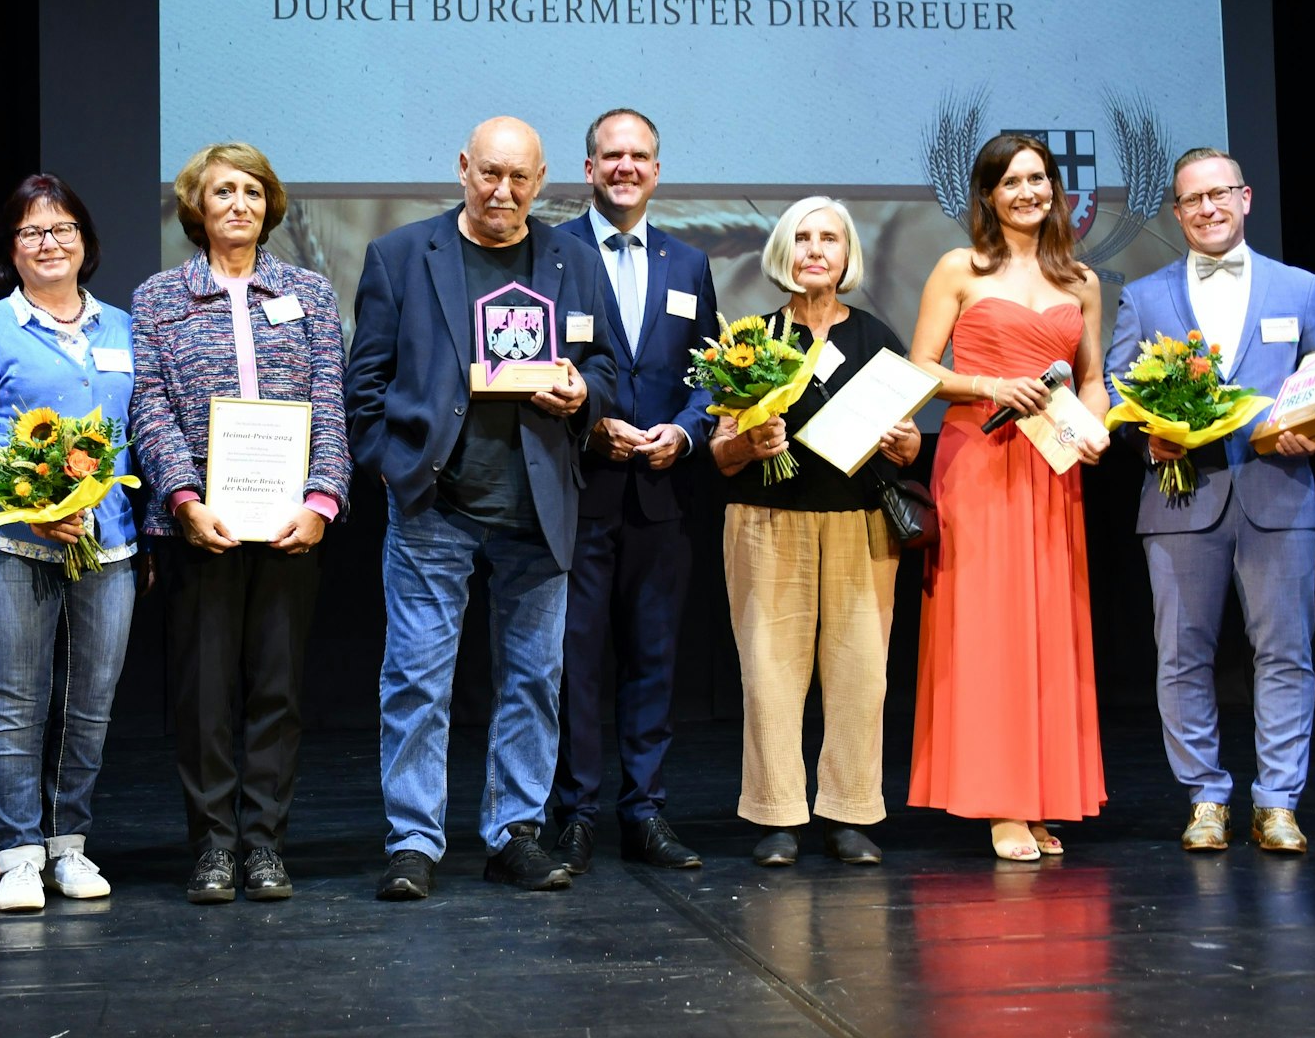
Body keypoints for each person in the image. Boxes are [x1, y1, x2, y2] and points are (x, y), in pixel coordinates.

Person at [345, 115, 617, 900]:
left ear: (543, 180)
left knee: (534, 679)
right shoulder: (401, 255)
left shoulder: (570, 259)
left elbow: (600, 363)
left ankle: (514, 833)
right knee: (416, 680)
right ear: (463, 167)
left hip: (540, 505)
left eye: (521, 178)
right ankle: (413, 843)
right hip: (435, 502)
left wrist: (582, 394)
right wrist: (391, 469)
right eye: (490, 173)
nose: (503, 191)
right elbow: (364, 384)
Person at [130, 142, 350, 903]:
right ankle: (213, 849)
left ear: (271, 205)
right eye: (223, 191)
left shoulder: (310, 294)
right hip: (202, 525)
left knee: (278, 693)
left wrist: (322, 502)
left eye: (253, 192)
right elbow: (150, 408)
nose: (239, 205)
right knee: (203, 697)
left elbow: (330, 401)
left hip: (290, 524)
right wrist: (184, 498)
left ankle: (264, 846)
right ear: (196, 206)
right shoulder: (160, 297)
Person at [1106, 148, 1315, 853]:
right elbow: (1117, 387)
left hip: (1280, 497)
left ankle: (1278, 802)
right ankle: (1205, 796)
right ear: (1176, 213)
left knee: (1285, 654)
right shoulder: (1144, 296)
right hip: (1181, 501)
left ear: (1245, 198)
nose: (1207, 209)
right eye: (1192, 200)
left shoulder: (1300, 288)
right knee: (1180, 656)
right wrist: (1150, 437)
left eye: (1219, 195)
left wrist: (1314, 431)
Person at [906, 133, 1110, 861]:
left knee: (1048, 626)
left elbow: (1091, 376)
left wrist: (1099, 426)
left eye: (1039, 178)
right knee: (991, 629)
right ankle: (1000, 803)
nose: (1028, 191)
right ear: (988, 196)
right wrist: (992, 384)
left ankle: (1041, 797)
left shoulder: (1081, 280)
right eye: (1011, 181)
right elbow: (920, 368)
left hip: (1053, 467)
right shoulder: (960, 268)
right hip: (980, 461)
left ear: (1055, 188)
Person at [0, 175, 138, 911]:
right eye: (32, 232)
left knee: (90, 704)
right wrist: (29, 506)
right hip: (8, 545)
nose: (49, 243)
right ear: (10, 251)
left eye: (62, 230)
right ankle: (17, 853)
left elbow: (138, 439)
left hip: (105, 543)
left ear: (84, 241)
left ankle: (68, 845)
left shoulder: (121, 328)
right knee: (15, 700)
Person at [712, 196, 920, 867]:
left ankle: (849, 813)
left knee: (862, 675)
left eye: (828, 237)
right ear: (782, 252)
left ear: (846, 253)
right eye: (801, 238)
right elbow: (719, 453)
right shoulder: (750, 341)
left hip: (859, 527)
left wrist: (908, 444)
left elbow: (908, 448)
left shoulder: (876, 339)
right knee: (771, 676)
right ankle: (778, 817)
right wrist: (751, 441)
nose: (814, 249)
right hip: (768, 527)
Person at [550, 108, 719, 874]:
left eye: (639, 156)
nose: (625, 167)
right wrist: (592, 428)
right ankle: (575, 815)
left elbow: (708, 375)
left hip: (660, 494)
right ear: (588, 169)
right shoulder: (550, 253)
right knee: (575, 664)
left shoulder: (689, 264)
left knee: (653, 661)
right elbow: (531, 369)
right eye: (611, 156)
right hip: (576, 492)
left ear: (657, 169)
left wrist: (684, 433)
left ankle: (645, 812)